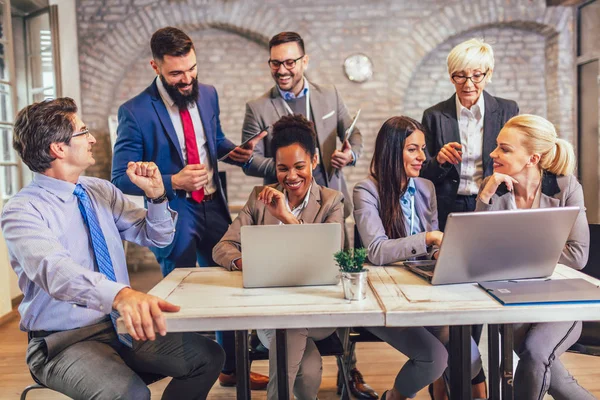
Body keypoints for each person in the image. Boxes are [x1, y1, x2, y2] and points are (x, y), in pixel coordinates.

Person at [1, 97, 225, 400]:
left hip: (119, 326)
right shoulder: (22, 210)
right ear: (59, 148)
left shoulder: (99, 190)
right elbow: (56, 273)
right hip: (62, 342)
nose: (92, 138)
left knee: (208, 356)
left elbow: (157, 237)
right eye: (83, 132)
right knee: (129, 394)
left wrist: (157, 196)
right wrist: (120, 295)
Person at [111, 27, 268, 390]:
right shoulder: (134, 111)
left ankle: (231, 368)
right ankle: (186, 371)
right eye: (176, 74)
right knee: (178, 294)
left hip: (214, 207)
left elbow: (210, 141)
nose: (187, 79)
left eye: (192, 69)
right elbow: (119, 176)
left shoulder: (208, 94)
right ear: (155, 66)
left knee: (231, 283)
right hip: (174, 213)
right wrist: (173, 181)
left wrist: (233, 151)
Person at [241, 31, 374, 398]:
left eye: (289, 62)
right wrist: (290, 169)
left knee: (335, 274)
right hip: (286, 198)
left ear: (304, 61)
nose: (282, 70)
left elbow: (356, 134)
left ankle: (351, 370)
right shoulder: (257, 107)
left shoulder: (329, 95)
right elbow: (248, 159)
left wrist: (351, 154)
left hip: (329, 200)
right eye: (275, 63)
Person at [213, 114, 344, 400]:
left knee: (293, 325)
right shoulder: (260, 197)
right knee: (308, 371)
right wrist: (248, 262)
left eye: (300, 167)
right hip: (269, 311)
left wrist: (286, 216)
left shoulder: (333, 201)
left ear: (314, 162)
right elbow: (222, 247)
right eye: (282, 169)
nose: (291, 176)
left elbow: (333, 258)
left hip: (319, 310)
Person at [353, 116, 483, 400]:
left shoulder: (425, 188)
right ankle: (394, 398)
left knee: (470, 357)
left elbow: (433, 248)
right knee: (434, 358)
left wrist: (443, 251)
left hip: (424, 292)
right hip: (382, 296)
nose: (423, 157)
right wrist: (428, 239)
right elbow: (376, 251)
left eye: (423, 149)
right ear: (392, 150)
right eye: (413, 149)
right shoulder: (366, 191)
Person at [420, 38, 519, 394]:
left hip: (489, 208)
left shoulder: (507, 110)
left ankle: (466, 377)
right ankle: (446, 381)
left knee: (481, 292)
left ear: (488, 74)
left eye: (477, 75)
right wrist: (439, 160)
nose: (468, 84)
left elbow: (516, 161)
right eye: (460, 76)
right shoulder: (435, 115)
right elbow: (423, 174)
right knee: (450, 293)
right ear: (450, 76)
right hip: (449, 210)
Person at [476, 114, 593, 400]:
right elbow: (478, 251)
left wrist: (513, 258)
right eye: (496, 146)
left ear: (532, 159)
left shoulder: (565, 187)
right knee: (547, 370)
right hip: (511, 302)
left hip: (562, 301)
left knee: (536, 352)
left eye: (504, 148)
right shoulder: (496, 190)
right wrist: (485, 195)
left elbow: (577, 255)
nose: (493, 153)